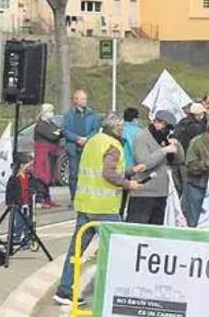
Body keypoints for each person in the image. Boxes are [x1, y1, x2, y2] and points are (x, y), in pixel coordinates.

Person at [55, 116, 143, 304]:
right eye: (121, 127)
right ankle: (123, 290)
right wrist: (129, 184)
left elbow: (99, 168)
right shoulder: (112, 146)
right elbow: (108, 173)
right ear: (116, 128)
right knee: (121, 246)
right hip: (104, 207)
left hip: (85, 203)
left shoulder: (94, 140)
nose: (122, 130)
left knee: (76, 250)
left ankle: (64, 288)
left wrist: (131, 170)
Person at [126, 110, 179, 225]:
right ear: (155, 122)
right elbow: (143, 163)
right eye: (163, 125)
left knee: (155, 230)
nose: (164, 129)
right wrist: (163, 151)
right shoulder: (142, 137)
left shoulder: (164, 139)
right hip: (144, 192)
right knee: (138, 227)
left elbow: (179, 161)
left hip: (161, 192)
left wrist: (176, 146)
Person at [62, 90, 100, 203]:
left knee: (87, 173)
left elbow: (96, 129)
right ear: (75, 100)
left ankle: (87, 196)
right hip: (73, 147)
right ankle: (74, 198)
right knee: (73, 173)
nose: (84, 101)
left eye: (85, 99)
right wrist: (77, 139)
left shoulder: (92, 114)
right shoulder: (69, 114)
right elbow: (64, 130)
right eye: (81, 99)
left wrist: (87, 139)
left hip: (87, 146)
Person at [5, 153, 38, 250]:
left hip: (28, 203)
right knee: (19, 222)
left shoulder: (30, 177)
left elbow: (35, 187)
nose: (31, 167)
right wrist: (10, 203)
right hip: (17, 204)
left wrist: (35, 194)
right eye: (29, 165)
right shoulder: (14, 178)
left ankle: (27, 240)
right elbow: (9, 192)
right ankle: (15, 238)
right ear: (22, 165)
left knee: (29, 223)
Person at [32, 103, 62, 208]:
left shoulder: (51, 124)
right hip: (42, 154)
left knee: (49, 175)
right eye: (49, 111)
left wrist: (58, 134)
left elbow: (59, 133)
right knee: (42, 175)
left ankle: (47, 198)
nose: (51, 113)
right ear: (43, 113)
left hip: (51, 153)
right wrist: (57, 134)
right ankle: (40, 199)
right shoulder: (40, 125)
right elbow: (52, 136)